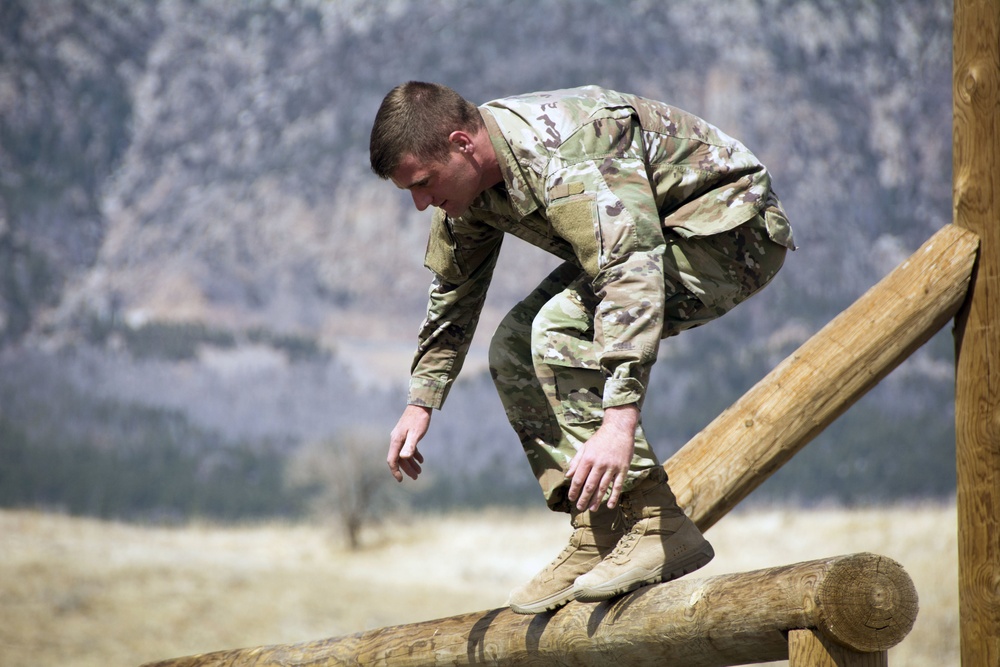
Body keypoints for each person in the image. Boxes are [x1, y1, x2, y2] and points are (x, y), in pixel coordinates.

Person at [369, 82, 795, 614]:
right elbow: (454, 290)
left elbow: (630, 271)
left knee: (558, 329)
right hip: (648, 239)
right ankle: (599, 527)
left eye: (424, 183)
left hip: (730, 233)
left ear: (461, 143)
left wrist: (618, 424)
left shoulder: (568, 150)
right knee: (514, 347)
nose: (419, 203)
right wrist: (421, 398)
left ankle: (656, 524)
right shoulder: (469, 186)